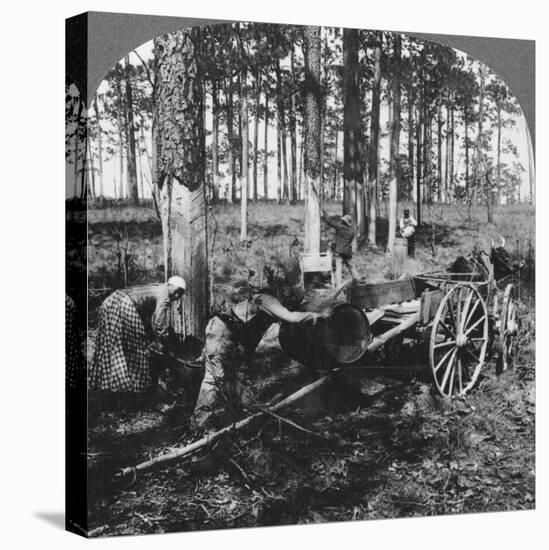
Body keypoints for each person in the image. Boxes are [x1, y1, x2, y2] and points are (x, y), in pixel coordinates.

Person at [192, 284, 331, 431]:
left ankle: (241, 416)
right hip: (223, 332)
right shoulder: (267, 299)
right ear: (286, 294)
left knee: (237, 378)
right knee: (214, 378)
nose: (292, 304)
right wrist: (319, 315)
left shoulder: (264, 309)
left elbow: (250, 339)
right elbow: (290, 317)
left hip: (230, 335)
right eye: (293, 300)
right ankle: (200, 424)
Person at [89, 276, 187, 393]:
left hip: (111, 301)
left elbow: (147, 316)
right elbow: (159, 324)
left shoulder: (157, 287)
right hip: (123, 305)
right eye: (176, 291)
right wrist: (166, 345)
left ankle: (108, 385)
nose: (176, 296)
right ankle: (130, 388)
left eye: (180, 294)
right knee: (136, 348)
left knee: (112, 345)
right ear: (169, 285)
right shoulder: (164, 295)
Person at [321, 208, 361, 283]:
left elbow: (329, 221)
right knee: (351, 266)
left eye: (343, 220)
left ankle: (339, 285)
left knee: (338, 268)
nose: (341, 221)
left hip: (339, 252)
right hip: (347, 252)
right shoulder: (352, 231)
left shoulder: (340, 227)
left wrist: (324, 212)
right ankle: (358, 280)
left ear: (344, 222)